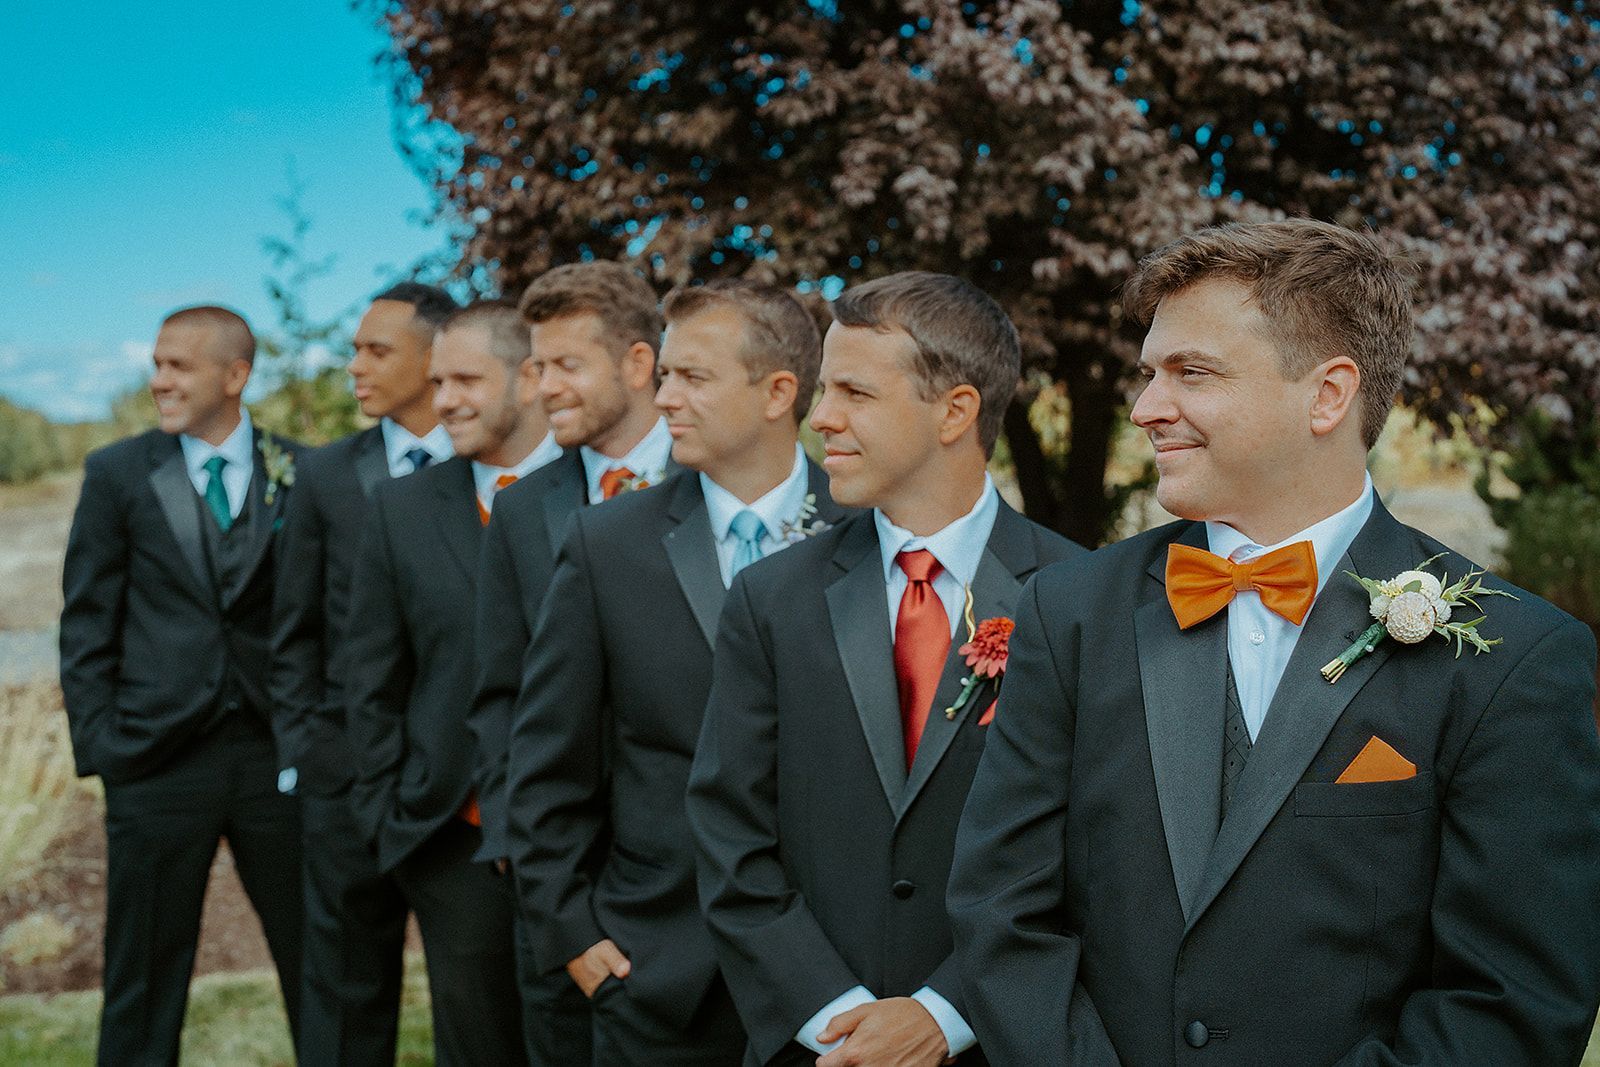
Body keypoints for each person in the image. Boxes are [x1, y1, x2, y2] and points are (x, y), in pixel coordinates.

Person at [947, 219, 1600, 1065]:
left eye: (1193, 372)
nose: (1146, 408)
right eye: (1149, 374)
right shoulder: (1066, 614)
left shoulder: (1515, 655)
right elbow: (1001, 913)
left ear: (1328, 394)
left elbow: (1512, 999)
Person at [687, 271, 1083, 1067]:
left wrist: (944, 1012)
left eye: (855, 393)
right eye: (825, 389)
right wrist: (832, 1014)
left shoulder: (1080, 595)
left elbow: (1091, 852)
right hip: (818, 1047)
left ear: (956, 411)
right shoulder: (770, 600)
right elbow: (730, 832)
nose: (821, 417)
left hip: (999, 1039)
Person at [508, 280, 847, 1064]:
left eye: (692, 377)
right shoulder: (606, 545)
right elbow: (545, 762)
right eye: (663, 375)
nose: (663, 398)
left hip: (839, 977)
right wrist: (575, 937)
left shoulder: (869, 528)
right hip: (657, 969)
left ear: (779, 392)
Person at [60, 305, 305, 1065]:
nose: (158, 379)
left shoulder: (301, 468)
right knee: (142, 975)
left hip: (277, 761)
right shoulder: (117, 472)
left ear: (236, 376)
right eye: (157, 363)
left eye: (179, 365)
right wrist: (103, 744)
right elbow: (87, 620)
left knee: (317, 958)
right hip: (155, 761)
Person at [470, 260, 678, 1064]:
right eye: (535, 366)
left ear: (636, 363)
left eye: (566, 365)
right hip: (563, 883)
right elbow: (499, 697)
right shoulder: (523, 508)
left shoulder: (716, 480)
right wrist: (537, 877)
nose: (542, 387)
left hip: (697, 873)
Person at [341, 300, 560, 1065]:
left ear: (530, 379)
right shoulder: (402, 508)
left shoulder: (602, 493)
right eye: (436, 381)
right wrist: (391, 814)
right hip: (452, 840)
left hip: (589, 842)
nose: (444, 401)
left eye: (466, 378)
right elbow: (369, 675)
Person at [269, 280, 457, 1065]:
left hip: (464, 788)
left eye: (377, 350)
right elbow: (293, 630)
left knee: (477, 995)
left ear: (434, 356)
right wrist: (312, 753)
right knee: (344, 998)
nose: (355, 367)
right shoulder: (325, 474)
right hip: (345, 780)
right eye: (353, 349)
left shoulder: (501, 468)